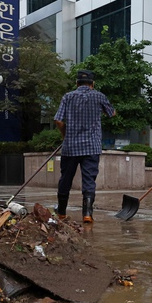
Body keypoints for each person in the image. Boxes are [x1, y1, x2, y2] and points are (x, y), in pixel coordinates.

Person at [54, 69, 116, 223]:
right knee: (89, 180)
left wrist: (65, 135)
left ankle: (61, 211)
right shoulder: (99, 96)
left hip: (71, 147)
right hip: (91, 146)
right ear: (92, 84)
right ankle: (87, 213)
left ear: (77, 83)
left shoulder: (68, 97)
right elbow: (112, 113)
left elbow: (58, 121)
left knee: (66, 179)